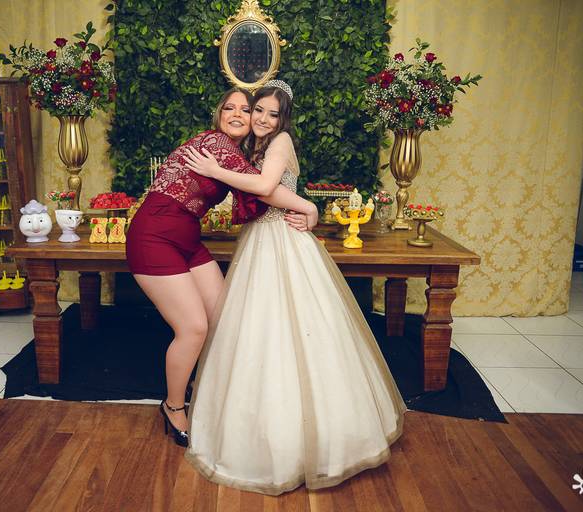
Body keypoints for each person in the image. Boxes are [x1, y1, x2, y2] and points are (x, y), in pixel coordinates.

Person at [182, 81, 406, 495]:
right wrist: (307, 206)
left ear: (283, 119)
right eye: (259, 111)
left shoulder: (280, 141)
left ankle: (317, 443)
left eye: (273, 114)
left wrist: (215, 171)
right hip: (259, 238)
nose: (264, 120)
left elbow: (266, 187)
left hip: (282, 240)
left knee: (298, 330)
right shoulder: (253, 145)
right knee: (257, 331)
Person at [126, 87, 318, 448]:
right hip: (154, 237)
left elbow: (257, 184)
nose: (238, 114)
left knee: (223, 317)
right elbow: (264, 189)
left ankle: (202, 386)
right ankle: (173, 406)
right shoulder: (215, 143)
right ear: (219, 114)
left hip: (187, 240)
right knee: (194, 327)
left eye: (246, 109)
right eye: (230, 108)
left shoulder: (238, 152)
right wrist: (308, 206)